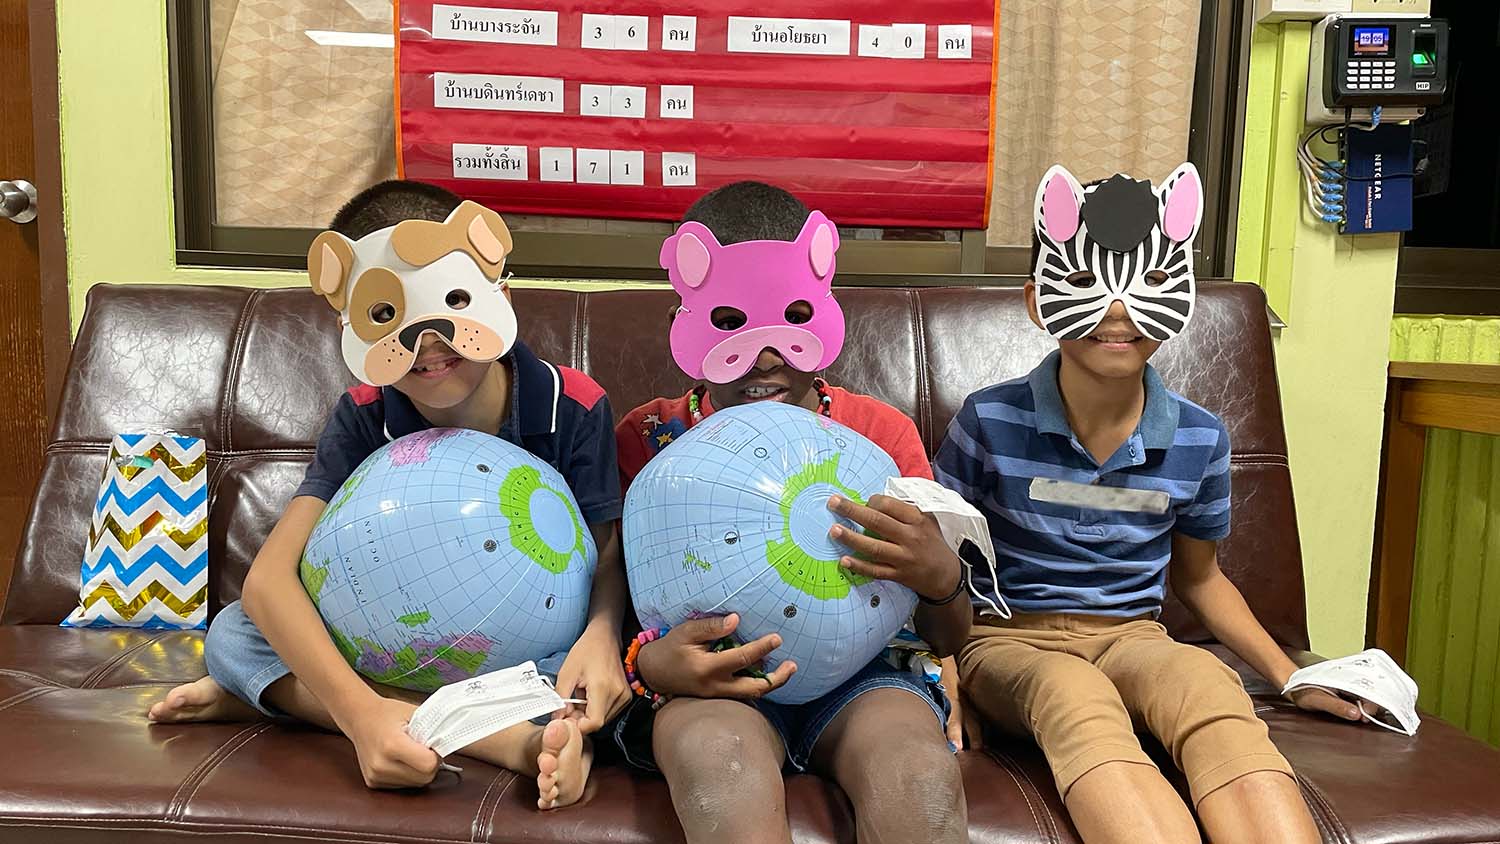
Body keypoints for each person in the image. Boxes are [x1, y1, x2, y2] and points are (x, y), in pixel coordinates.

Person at [148, 180, 629, 810]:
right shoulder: (362, 415)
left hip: (519, 648)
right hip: (386, 644)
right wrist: (360, 718)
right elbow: (267, 583)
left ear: (499, 297)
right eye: (387, 317)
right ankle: (504, 741)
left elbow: (607, 550)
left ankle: (280, 696)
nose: (428, 343)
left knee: (591, 678)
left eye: (453, 302)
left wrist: (600, 634)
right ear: (351, 326)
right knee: (236, 632)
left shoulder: (573, 404)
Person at [938, 163, 1368, 844]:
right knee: (1074, 695)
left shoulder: (1200, 436)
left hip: (1133, 637)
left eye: (1148, 284)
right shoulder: (988, 421)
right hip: (1009, 639)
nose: (1116, 309)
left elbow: (1199, 577)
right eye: (1084, 283)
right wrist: (941, 668)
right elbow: (938, 568)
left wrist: (1289, 677)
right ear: (1036, 302)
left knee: (1204, 682)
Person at [613, 182, 969, 844]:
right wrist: (657, 666)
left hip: (865, 679)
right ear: (682, 321)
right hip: (713, 685)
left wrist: (941, 577)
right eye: (729, 324)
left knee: (918, 775)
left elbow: (951, 634)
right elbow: (618, 609)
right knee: (720, 769)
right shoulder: (650, 438)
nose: (765, 353)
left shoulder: (880, 436)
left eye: (792, 317)